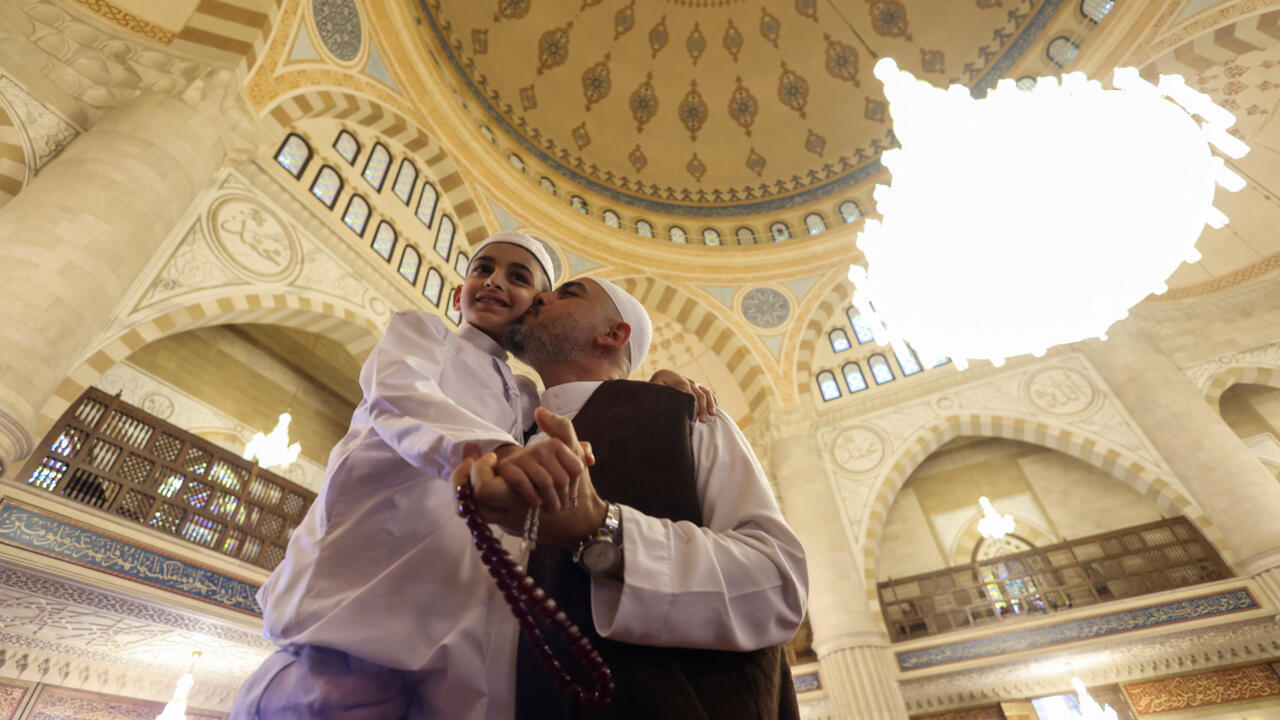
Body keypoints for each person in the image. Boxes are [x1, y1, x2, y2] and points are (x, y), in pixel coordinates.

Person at [250, 277, 806, 719]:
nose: (539, 296)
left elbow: (778, 584)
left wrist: (601, 531)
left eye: (566, 293)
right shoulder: (498, 424)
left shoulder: (682, 418)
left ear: (612, 334)